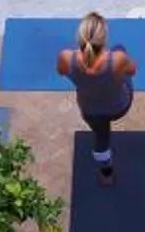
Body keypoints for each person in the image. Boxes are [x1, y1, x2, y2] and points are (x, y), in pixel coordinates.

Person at [57, 12, 137, 185]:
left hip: (90, 109)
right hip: (119, 106)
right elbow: (132, 71)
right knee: (120, 48)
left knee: (101, 138)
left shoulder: (66, 57)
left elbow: (61, 71)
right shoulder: (117, 59)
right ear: (103, 39)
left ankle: (106, 173)